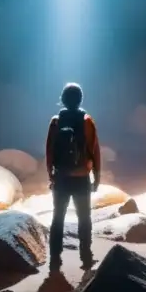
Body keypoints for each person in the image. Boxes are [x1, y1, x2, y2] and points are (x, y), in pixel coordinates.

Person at [45, 82, 101, 271]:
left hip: (61, 177)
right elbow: (95, 151)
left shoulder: (55, 121)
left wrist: (51, 176)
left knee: (57, 217)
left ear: (62, 99)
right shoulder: (87, 121)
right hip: (81, 177)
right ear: (80, 99)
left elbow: (49, 151)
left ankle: (55, 259)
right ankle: (86, 257)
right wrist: (97, 177)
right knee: (84, 218)